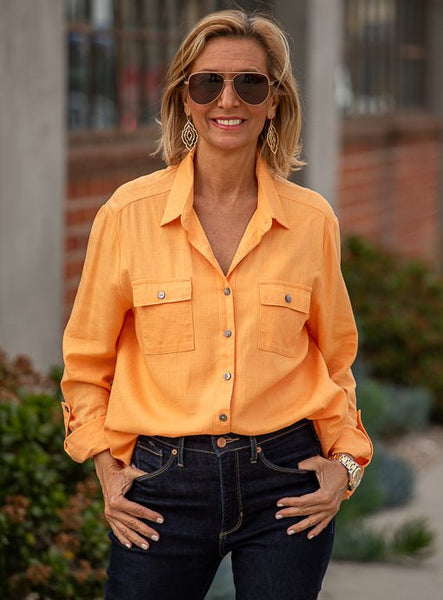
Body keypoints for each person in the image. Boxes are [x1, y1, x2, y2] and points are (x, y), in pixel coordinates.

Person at [61, 9, 373, 600]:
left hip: (286, 483)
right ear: (184, 98)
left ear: (274, 100)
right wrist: (107, 469)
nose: (227, 99)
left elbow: (335, 361)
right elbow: (85, 365)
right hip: (161, 486)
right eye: (208, 82)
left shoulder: (311, 221)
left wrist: (347, 467)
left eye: (249, 82)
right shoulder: (127, 216)